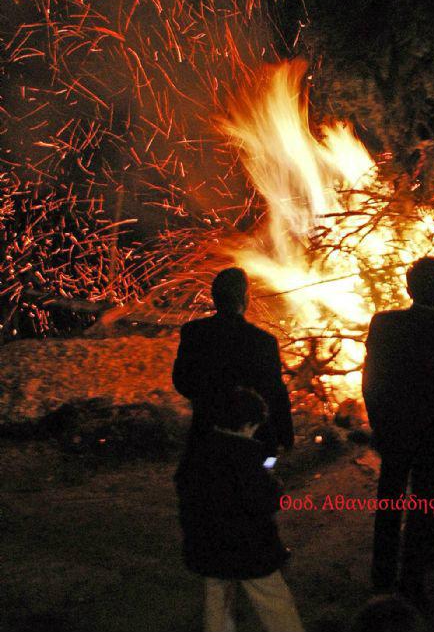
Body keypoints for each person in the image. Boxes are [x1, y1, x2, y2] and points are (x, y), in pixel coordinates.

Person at [362, 256, 434, 604]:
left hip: (394, 430)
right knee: (423, 508)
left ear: (407, 288)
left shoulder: (383, 323)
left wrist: (378, 424)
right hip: (431, 435)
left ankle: (382, 578)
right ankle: (411, 582)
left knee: (389, 505)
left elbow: (369, 379)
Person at [175, 386, 304, 632]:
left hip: (208, 546)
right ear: (247, 425)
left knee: (217, 600)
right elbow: (266, 500)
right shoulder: (246, 460)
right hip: (250, 550)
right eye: (254, 427)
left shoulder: (197, 454)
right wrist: (273, 480)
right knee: (275, 602)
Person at [172, 267, 294, 456]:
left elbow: (181, 380)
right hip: (252, 441)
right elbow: (275, 394)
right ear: (245, 298)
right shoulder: (262, 341)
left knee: (204, 482)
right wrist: (286, 439)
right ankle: (268, 469)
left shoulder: (194, 333)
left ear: (214, 298)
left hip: (206, 437)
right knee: (260, 477)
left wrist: (207, 399)